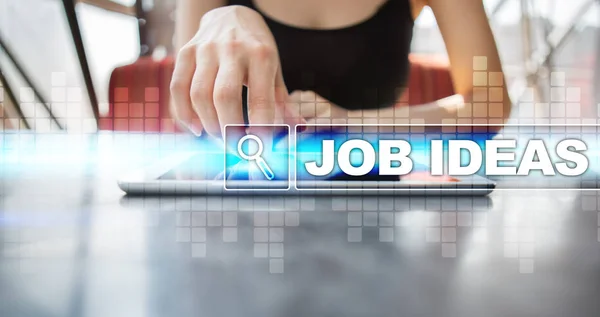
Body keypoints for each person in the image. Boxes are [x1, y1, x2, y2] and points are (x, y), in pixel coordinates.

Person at [170, 0, 511, 137]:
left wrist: (350, 124)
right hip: (228, 204)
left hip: (372, 206)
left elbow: (490, 103)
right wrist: (218, 17)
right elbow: (183, 107)